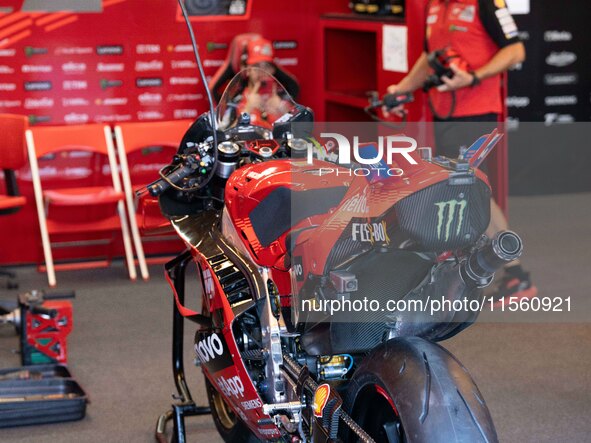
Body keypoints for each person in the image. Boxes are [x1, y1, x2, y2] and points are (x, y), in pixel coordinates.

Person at [385, 0, 537, 304]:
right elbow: (430, 57)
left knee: (468, 191)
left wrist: (475, 77)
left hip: (475, 114)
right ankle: (501, 272)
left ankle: (513, 272)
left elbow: (516, 50)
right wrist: (402, 88)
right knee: (465, 191)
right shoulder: (434, 6)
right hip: (445, 114)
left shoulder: (486, 3)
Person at [235, 37, 291, 128]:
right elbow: (225, 136)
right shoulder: (236, 98)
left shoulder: (284, 95)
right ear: (247, 70)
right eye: (256, 66)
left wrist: (283, 110)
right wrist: (248, 109)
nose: (262, 71)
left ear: (273, 70)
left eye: (267, 66)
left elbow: (300, 133)